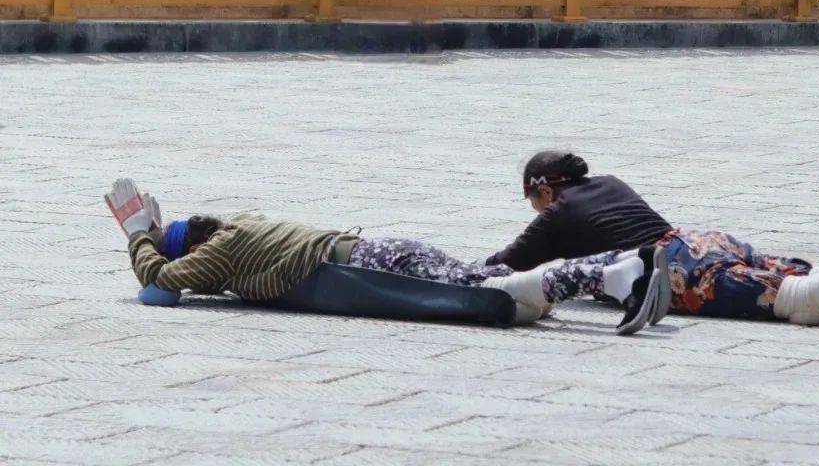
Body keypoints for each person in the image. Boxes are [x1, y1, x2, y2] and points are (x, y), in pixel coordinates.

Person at [484, 151, 819, 334]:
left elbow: (506, 265)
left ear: (543, 190)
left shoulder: (555, 213)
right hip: (700, 241)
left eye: (534, 200)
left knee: (797, 302)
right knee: (797, 279)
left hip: (677, 271)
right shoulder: (610, 182)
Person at [104, 177, 671, 336]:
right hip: (382, 249)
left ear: (197, 246)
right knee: (488, 278)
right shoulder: (242, 221)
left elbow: (161, 289)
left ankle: (617, 271)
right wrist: (156, 229)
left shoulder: (220, 252)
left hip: (363, 266)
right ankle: (617, 277)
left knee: (485, 290)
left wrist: (137, 236)